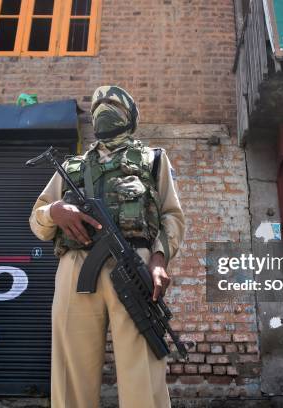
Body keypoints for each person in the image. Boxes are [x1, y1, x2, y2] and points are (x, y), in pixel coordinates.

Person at [28, 85, 185, 408]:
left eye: (113, 103)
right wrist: (54, 212)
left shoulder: (153, 159)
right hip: (75, 268)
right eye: (98, 104)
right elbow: (37, 220)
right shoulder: (71, 166)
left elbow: (172, 215)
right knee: (71, 372)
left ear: (130, 116)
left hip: (134, 263)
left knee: (142, 370)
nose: (103, 107)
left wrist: (159, 260)